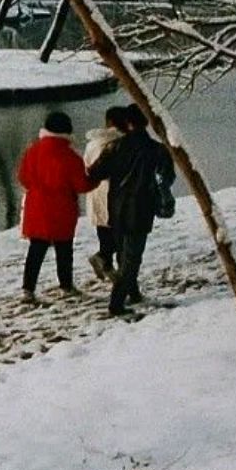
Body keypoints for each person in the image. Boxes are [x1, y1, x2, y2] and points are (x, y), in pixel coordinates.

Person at [85, 103, 175, 316]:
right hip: (142, 207)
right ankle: (116, 304)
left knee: (123, 253)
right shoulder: (157, 149)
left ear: (127, 123)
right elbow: (167, 177)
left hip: (115, 207)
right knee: (132, 258)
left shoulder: (115, 146)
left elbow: (95, 173)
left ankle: (132, 293)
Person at [16, 110, 91, 301]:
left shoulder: (32, 150)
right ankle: (66, 285)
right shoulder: (70, 156)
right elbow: (82, 185)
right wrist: (96, 178)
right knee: (64, 249)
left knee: (36, 250)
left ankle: (28, 288)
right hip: (62, 209)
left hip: (37, 207)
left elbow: (23, 177)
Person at [82, 106, 127, 283]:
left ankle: (106, 265)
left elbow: (86, 166)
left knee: (104, 231)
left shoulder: (92, 144)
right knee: (120, 235)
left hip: (95, 192)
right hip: (115, 193)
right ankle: (107, 261)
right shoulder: (121, 143)